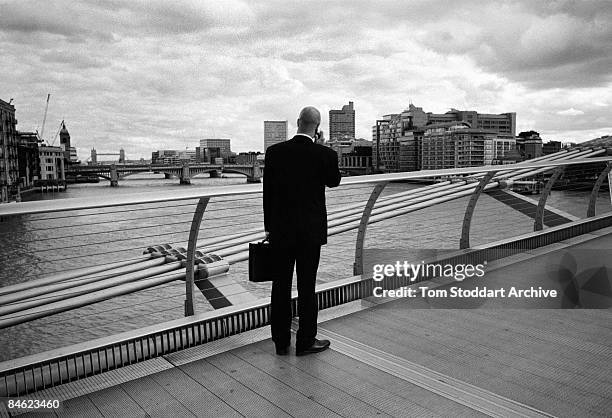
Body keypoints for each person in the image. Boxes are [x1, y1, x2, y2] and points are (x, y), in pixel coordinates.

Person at [263, 106, 341, 356]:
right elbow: (334, 181)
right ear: (317, 128)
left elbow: (268, 195)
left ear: (298, 122)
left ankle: (281, 342)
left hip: (281, 231)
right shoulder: (324, 154)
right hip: (310, 232)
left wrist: (269, 228)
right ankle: (306, 341)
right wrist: (326, 148)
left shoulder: (275, 153)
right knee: (307, 286)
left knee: (280, 285)